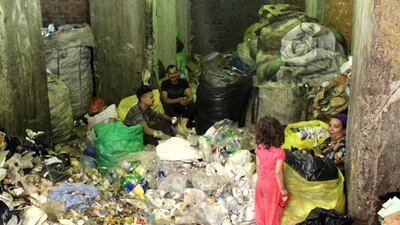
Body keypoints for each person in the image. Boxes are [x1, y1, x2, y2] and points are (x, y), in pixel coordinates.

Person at [255, 116, 288, 225]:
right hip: (272, 185)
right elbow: (278, 172)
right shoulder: (279, 152)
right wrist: (283, 189)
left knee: (260, 209)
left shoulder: (258, 148)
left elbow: (258, 167)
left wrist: (260, 180)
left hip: (260, 183)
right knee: (272, 212)